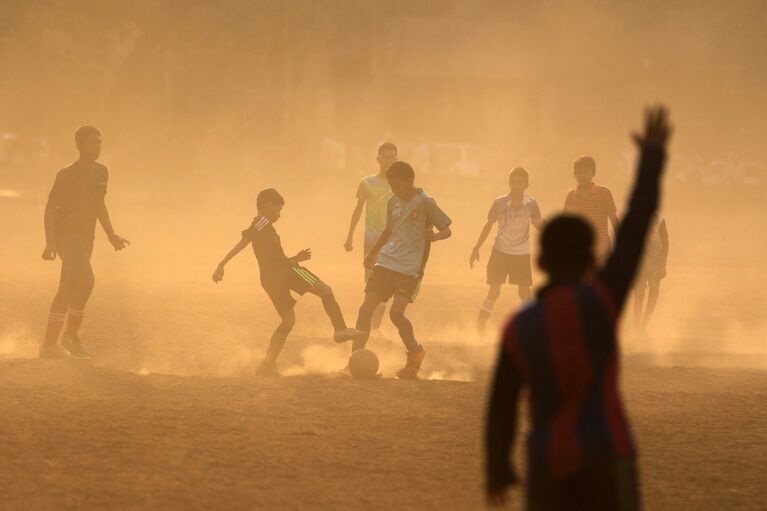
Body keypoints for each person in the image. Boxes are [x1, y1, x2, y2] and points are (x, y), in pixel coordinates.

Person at [486, 106, 672, 510]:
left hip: (548, 462)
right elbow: (636, 228)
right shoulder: (603, 302)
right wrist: (652, 160)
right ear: (592, 260)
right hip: (608, 452)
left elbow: (501, 405)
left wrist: (497, 468)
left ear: (539, 262)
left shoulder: (519, 325)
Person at [212, 188, 362, 376]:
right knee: (326, 290)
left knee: (288, 321)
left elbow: (272, 259)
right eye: (278, 209)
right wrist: (222, 263)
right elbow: (244, 240)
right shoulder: (261, 222)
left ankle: (267, 364)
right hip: (288, 271)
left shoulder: (264, 226)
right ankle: (339, 329)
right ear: (268, 206)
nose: (279, 215)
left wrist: (294, 258)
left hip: (271, 278)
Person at [340, 161, 452, 379]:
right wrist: (373, 253)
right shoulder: (393, 201)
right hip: (386, 263)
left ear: (410, 181)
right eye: (391, 186)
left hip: (411, 269)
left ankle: (415, 353)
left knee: (396, 314)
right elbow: (389, 230)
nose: (394, 190)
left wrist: (435, 236)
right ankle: (356, 357)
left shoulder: (426, 202)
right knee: (365, 310)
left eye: (398, 186)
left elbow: (447, 230)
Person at [39, 126, 129, 359]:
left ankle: (48, 346)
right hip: (67, 237)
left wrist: (111, 235)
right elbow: (51, 209)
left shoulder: (101, 172)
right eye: (92, 143)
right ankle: (70, 336)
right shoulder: (66, 174)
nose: (97, 146)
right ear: (79, 146)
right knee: (87, 280)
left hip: (87, 238)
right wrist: (50, 242)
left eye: (99, 142)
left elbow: (99, 205)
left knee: (67, 288)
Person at [470, 167, 544, 333]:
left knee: (524, 291)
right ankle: (481, 324)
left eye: (520, 182)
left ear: (526, 184)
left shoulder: (531, 204)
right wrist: (476, 247)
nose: (516, 185)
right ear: (509, 183)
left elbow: (538, 222)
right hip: (500, 252)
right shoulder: (499, 202)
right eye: (513, 182)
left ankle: (530, 326)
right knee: (494, 290)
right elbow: (488, 225)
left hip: (521, 254)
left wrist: (547, 228)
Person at [343, 142, 397, 338]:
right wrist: (350, 235)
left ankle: (375, 328)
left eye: (392, 156)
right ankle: (367, 326)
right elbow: (358, 210)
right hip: (372, 241)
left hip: (393, 242)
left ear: (396, 159)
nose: (388, 160)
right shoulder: (367, 183)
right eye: (385, 156)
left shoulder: (400, 184)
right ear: (378, 159)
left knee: (387, 287)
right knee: (371, 285)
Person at [563, 156, 620, 262]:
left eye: (586, 172)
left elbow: (613, 218)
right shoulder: (571, 196)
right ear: (575, 174)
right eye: (579, 172)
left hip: (602, 247)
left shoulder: (604, 193)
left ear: (593, 173)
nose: (582, 175)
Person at [633, 214, 669, 327]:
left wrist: (663, 264)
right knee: (641, 294)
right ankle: (638, 323)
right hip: (641, 264)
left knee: (651, 294)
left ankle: (643, 323)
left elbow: (666, 244)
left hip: (655, 263)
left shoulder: (659, 220)